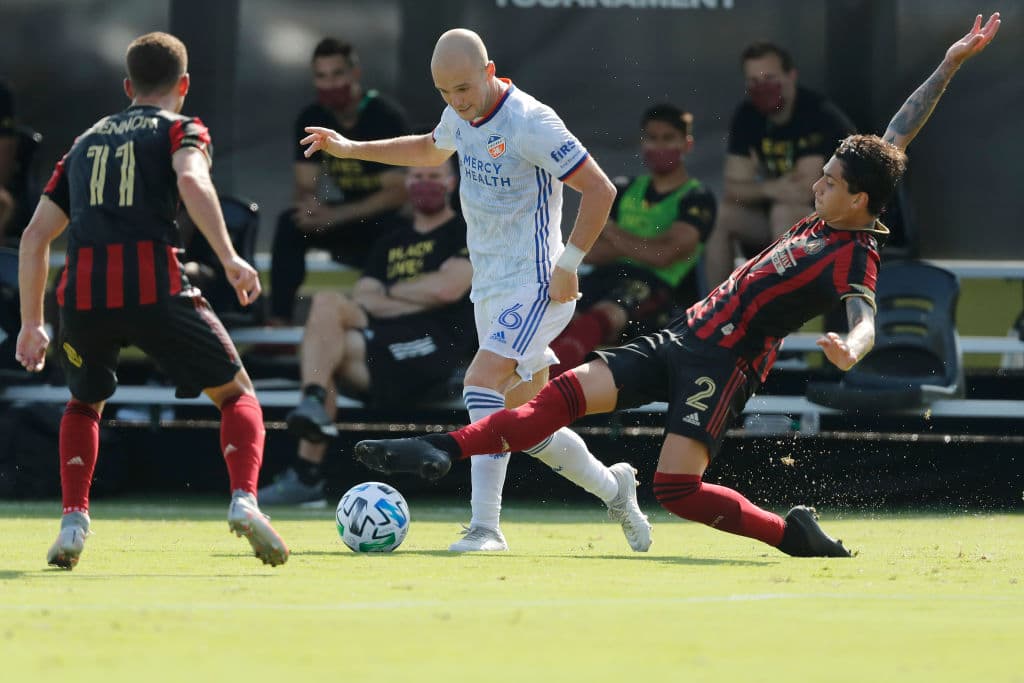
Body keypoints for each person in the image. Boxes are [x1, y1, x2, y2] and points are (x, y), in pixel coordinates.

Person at [352, 14, 1001, 558]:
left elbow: (865, 316)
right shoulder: (838, 202)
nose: (816, 183)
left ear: (859, 200)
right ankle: (441, 450)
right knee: (560, 398)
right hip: (683, 334)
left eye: (829, 180)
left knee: (678, 490)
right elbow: (894, 137)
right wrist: (947, 64)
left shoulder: (854, 253)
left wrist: (853, 347)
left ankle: (788, 534)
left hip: (723, 364)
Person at [301, 28, 652, 553]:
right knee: (526, 428)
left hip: (536, 283)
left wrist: (570, 262)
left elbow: (599, 189)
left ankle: (486, 528)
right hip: (490, 290)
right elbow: (428, 148)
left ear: (489, 72)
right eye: (444, 93)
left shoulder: (530, 121)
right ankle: (615, 488)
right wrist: (352, 149)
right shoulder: (461, 115)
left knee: (479, 384)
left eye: (463, 90)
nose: (456, 103)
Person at [15, 32, 289, 569]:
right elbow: (191, 179)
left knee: (83, 403)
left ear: (127, 86)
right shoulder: (182, 128)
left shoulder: (85, 141)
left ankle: (73, 521)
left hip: (84, 297)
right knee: (237, 395)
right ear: (183, 85)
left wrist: (32, 324)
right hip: (156, 287)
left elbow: (33, 237)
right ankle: (244, 501)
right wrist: (230, 257)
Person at [258, 157, 475, 505]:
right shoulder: (392, 238)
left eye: (434, 176)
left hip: (431, 347)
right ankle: (313, 402)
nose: (424, 182)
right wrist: (418, 294)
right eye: (417, 174)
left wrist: (388, 295)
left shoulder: (465, 231)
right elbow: (362, 296)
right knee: (328, 304)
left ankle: (305, 471)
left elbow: (447, 290)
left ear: (451, 183)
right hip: (376, 346)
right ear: (406, 183)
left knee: (324, 353)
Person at [549, 103, 716, 377]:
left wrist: (612, 231)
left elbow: (664, 256)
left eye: (668, 138)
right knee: (558, 314)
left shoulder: (697, 197)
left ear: (686, 145)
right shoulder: (623, 188)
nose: (659, 146)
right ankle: (528, 390)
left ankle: (547, 392)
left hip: (657, 288)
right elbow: (588, 251)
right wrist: (646, 245)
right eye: (652, 138)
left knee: (604, 316)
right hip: (605, 276)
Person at [269, 38, 409, 325]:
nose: (330, 84)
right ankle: (278, 320)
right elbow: (305, 184)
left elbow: (397, 194)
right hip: (345, 218)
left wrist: (335, 215)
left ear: (354, 74)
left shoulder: (384, 116)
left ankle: (381, 320)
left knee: (395, 230)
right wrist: (310, 209)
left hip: (386, 222)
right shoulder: (312, 117)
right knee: (291, 222)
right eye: (321, 76)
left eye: (337, 74)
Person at [703, 42, 856, 289]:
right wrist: (771, 189)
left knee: (785, 211)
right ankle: (716, 312)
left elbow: (805, 190)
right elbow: (734, 189)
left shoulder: (817, 113)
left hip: (839, 222)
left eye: (769, 78)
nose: (762, 87)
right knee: (722, 215)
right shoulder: (748, 115)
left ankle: (777, 308)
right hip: (779, 217)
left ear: (790, 76)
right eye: (753, 81)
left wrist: (762, 188)